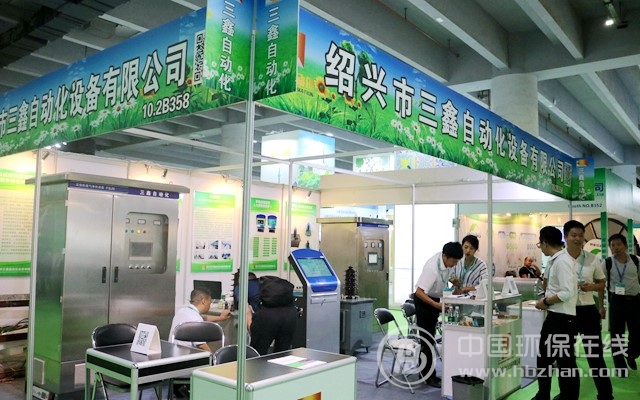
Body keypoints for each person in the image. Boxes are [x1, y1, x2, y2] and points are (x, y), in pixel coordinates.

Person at [563, 220, 612, 400]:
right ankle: (568, 394)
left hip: (587, 311)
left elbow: (602, 283)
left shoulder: (592, 259)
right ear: (566, 236)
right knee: (566, 357)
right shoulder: (558, 259)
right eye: (573, 235)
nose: (577, 239)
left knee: (595, 355)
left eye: (580, 235)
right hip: (565, 312)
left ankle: (606, 394)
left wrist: (591, 287)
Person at [533, 226, 579, 400]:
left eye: (540, 244)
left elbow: (566, 293)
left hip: (562, 319)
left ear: (545, 243)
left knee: (564, 362)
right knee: (546, 359)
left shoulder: (562, 261)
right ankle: (544, 394)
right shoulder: (556, 260)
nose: (540, 248)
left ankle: (566, 396)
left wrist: (545, 302)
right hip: (556, 317)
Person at [413, 241, 463, 388]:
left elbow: (447, 276)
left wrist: (454, 282)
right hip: (424, 301)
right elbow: (419, 292)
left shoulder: (446, 263)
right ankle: (427, 376)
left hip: (435, 299)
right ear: (445, 256)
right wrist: (436, 306)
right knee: (427, 340)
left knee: (431, 338)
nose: (454, 264)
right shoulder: (432, 268)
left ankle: (426, 372)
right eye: (453, 261)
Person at [604, 233, 640, 374]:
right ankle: (620, 366)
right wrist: (601, 305)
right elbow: (600, 282)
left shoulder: (636, 261)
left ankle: (631, 354)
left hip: (635, 300)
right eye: (612, 245)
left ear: (625, 246)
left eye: (619, 244)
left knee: (636, 332)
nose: (616, 248)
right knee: (617, 334)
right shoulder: (607, 263)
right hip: (617, 301)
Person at [170, 287, 231, 352]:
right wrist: (213, 356)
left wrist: (221, 318)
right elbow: (201, 345)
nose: (210, 306)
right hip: (185, 355)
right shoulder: (196, 319)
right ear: (203, 301)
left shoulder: (182, 311)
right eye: (210, 303)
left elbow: (203, 319)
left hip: (173, 352)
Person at [249, 276, 298, 355]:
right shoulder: (276, 282)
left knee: (258, 352)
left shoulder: (243, 286)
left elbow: (246, 312)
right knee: (284, 351)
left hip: (267, 315)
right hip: (290, 313)